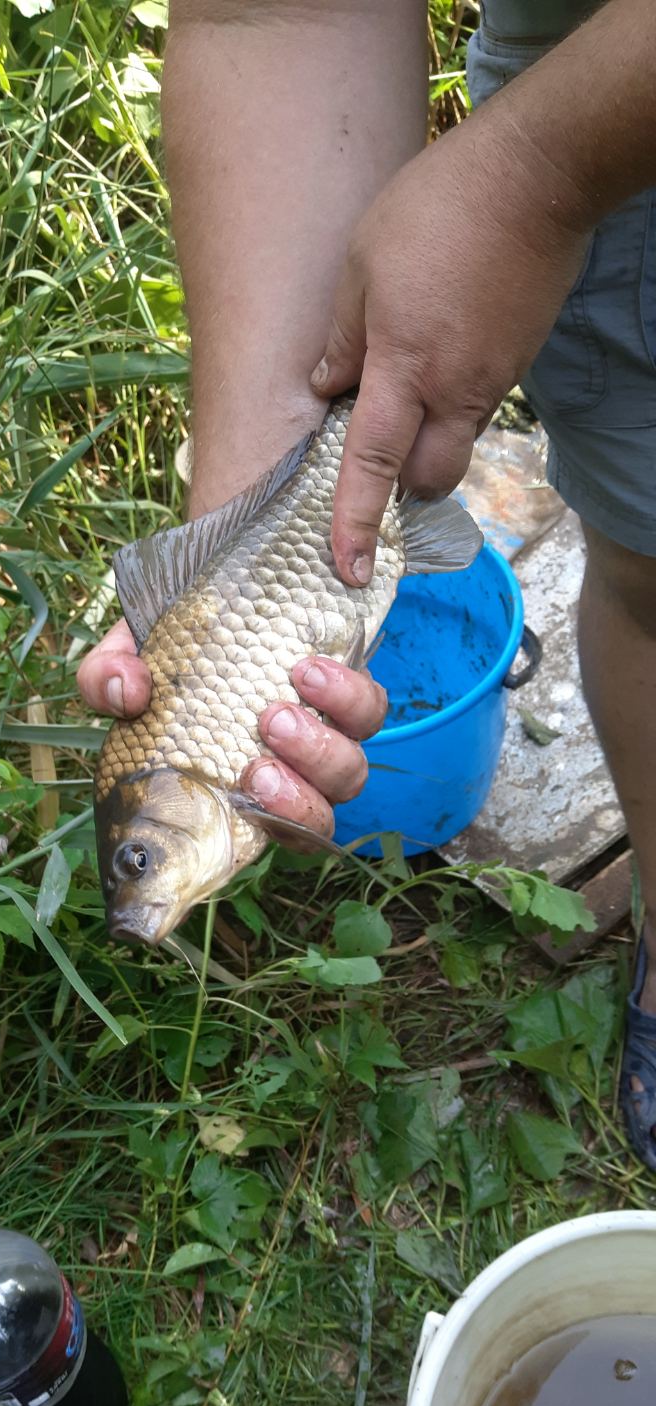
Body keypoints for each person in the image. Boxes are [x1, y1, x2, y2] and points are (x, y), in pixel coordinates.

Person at [77, 0, 656, 1167]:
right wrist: (258, 487)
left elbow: (526, 175)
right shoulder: (211, 765)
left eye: (136, 863)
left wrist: (529, 176)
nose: (136, 896)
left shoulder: (532, 170)